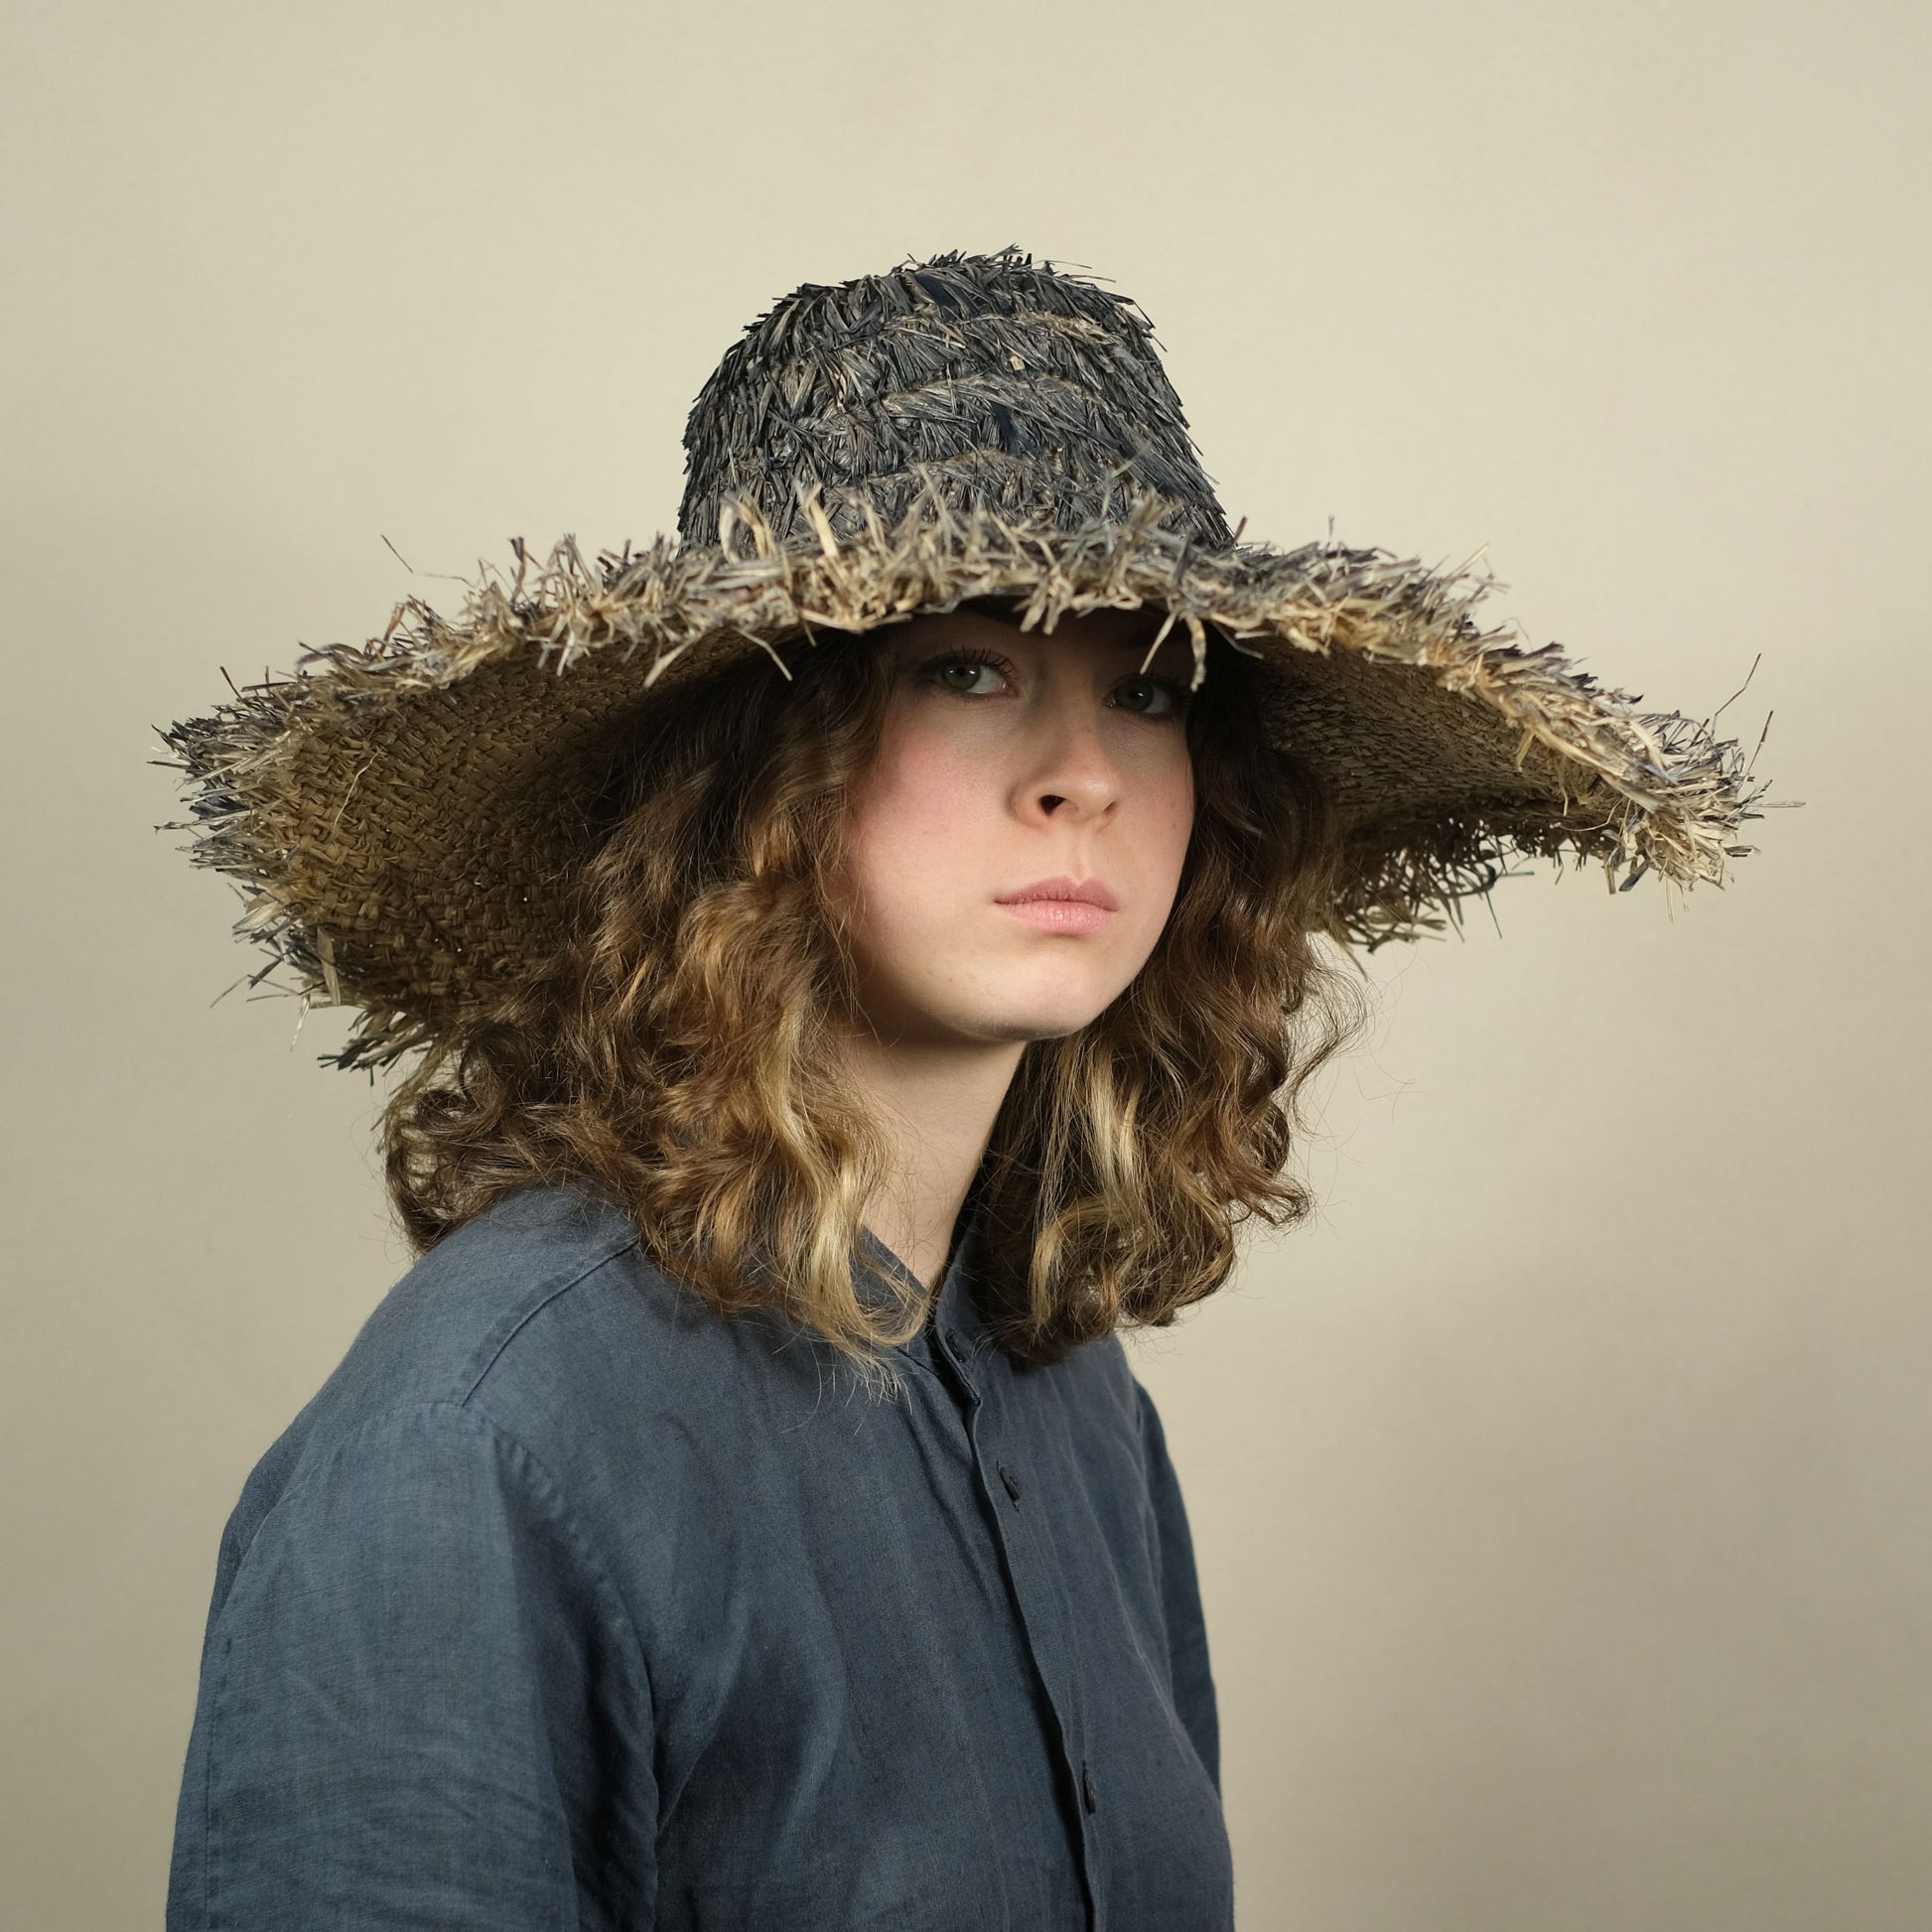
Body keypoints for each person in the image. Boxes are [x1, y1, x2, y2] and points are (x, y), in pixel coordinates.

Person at [159, 248, 1771, 1929]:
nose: (1082, 776)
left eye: (1145, 691)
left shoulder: (1073, 1404)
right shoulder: (478, 1442)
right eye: (970, 669)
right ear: (755, 763)